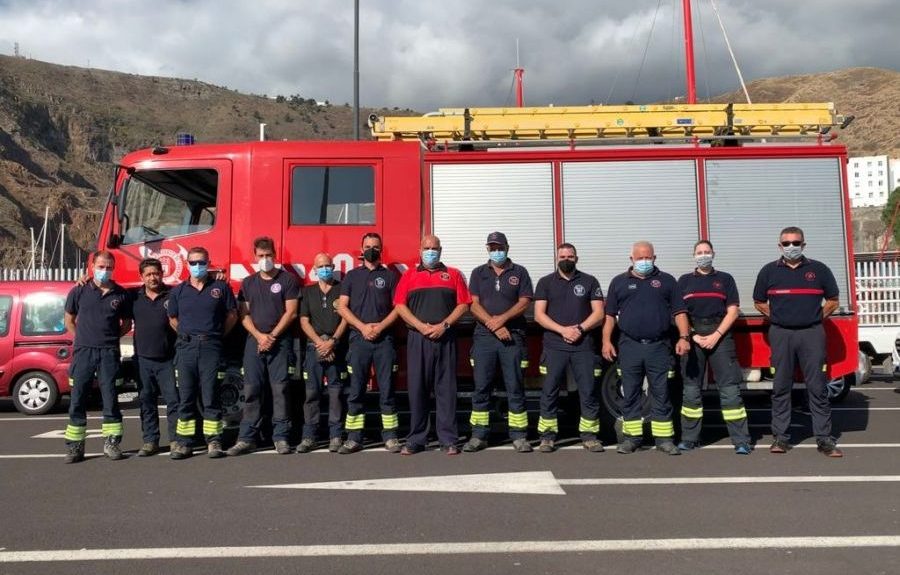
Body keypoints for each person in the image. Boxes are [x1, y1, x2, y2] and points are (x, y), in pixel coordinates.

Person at [753, 226, 842, 457]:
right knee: (781, 387)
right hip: (781, 334)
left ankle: (825, 440)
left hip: (812, 333)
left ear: (804, 245)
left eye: (796, 242)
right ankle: (781, 439)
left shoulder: (819, 270)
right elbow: (759, 301)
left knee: (817, 388)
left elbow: (833, 299)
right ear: (779, 246)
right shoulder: (768, 272)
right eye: (786, 243)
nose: (791, 247)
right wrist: (777, 318)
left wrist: (815, 317)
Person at [602, 241, 690, 455]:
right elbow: (609, 316)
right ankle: (632, 439)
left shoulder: (667, 281)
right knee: (630, 393)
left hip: (659, 346)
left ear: (654, 258)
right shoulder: (619, 282)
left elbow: (679, 312)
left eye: (648, 257)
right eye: (640, 258)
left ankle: (664, 439)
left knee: (660, 393)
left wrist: (684, 337)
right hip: (629, 345)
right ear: (631, 259)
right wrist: (606, 340)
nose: (644, 261)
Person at [394, 235, 471, 455]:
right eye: (426, 248)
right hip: (418, 339)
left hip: (445, 338)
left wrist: (443, 325)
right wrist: (420, 326)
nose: (430, 252)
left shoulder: (453, 274)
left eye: (434, 248)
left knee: (446, 390)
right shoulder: (409, 276)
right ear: (419, 250)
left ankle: (448, 439)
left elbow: (463, 305)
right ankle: (416, 439)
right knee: (417, 389)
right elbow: (399, 306)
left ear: (441, 250)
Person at [676, 241, 752, 455]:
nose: (703, 255)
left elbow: (733, 311)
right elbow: (679, 312)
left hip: (721, 334)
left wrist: (716, 335)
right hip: (694, 334)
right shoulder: (684, 281)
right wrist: (693, 335)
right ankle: (689, 439)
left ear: (713, 254)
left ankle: (741, 441)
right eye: (699, 252)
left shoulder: (725, 279)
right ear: (693, 256)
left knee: (730, 391)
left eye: (707, 252)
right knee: (691, 391)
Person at [227, 237, 300, 456]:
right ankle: (247, 438)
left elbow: (292, 312)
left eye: (269, 255)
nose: (265, 259)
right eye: (261, 256)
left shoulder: (288, 280)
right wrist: (260, 336)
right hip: (254, 342)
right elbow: (243, 314)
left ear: (275, 256)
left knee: (280, 390)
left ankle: (281, 437)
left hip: (280, 343)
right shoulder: (248, 282)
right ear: (255, 256)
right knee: (252, 389)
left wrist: (272, 336)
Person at [465, 231, 534, 453]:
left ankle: (519, 436)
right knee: (481, 388)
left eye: (500, 247)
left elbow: (524, 302)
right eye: (492, 247)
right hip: (484, 337)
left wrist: (502, 320)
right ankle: (478, 435)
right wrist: (493, 324)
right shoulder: (478, 273)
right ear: (487, 249)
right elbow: (473, 305)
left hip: (512, 336)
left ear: (507, 247)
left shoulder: (520, 272)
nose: (497, 251)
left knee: (515, 387)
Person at [533, 243, 606, 453]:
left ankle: (590, 436)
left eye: (570, 256)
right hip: (554, 345)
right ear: (557, 258)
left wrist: (580, 329)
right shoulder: (545, 282)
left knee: (588, 392)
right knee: (549, 391)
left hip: (584, 346)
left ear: (577, 258)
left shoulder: (589, 281)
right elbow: (539, 315)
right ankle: (547, 437)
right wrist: (563, 330)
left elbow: (599, 313)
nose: (567, 259)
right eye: (563, 256)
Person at [167, 247, 238, 460]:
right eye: (193, 262)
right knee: (186, 397)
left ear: (208, 262)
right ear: (187, 264)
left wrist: (215, 335)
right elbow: (172, 319)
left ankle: (213, 441)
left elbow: (232, 315)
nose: (197, 266)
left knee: (211, 395)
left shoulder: (220, 288)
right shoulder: (178, 291)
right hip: (186, 348)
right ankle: (185, 443)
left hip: (211, 348)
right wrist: (186, 334)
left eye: (201, 262)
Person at [62, 251, 132, 463]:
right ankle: (75, 446)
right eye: (101, 266)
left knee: (110, 398)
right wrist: (83, 339)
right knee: (78, 398)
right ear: (92, 266)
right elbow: (69, 320)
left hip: (109, 353)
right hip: (84, 351)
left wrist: (109, 339)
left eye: (109, 267)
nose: (105, 270)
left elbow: (126, 325)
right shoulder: (79, 290)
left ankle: (112, 443)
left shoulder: (121, 294)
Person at [337, 233, 401, 454]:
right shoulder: (352, 276)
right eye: (367, 246)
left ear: (381, 249)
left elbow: (399, 308)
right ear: (361, 249)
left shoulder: (391, 276)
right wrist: (363, 327)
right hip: (358, 340)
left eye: (375, 246)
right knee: (356, 390)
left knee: (387, 390)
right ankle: (354, 438)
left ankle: (391, 437)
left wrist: (380, 327)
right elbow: (342, 307)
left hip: (385, 340)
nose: (371, 249)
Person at [298, 253, 349, 453]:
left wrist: (333, 342)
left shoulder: (342, 289)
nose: (325, 269)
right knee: (312, 394)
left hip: (336, 348)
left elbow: (345, 318)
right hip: (314, 348)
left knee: (336, 393)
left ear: (333, 266)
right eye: (321, 266)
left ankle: (336, 436)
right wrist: (321, 343)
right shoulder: (307, 291)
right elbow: (303, 320)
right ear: (314, 268)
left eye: (328, 265)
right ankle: (309, 436)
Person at [131, 258, 180, 457]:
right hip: (142, 359)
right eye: (148, 274)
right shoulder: (132, 297)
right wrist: (85, 280)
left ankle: (177, 440)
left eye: (156, 273)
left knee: (174, 402)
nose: (153, 277)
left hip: (168, 359)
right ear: (141, 276)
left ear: (162, 273)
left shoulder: (174, 294)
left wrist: (216, 276)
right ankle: (150, 441)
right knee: (146, 401)